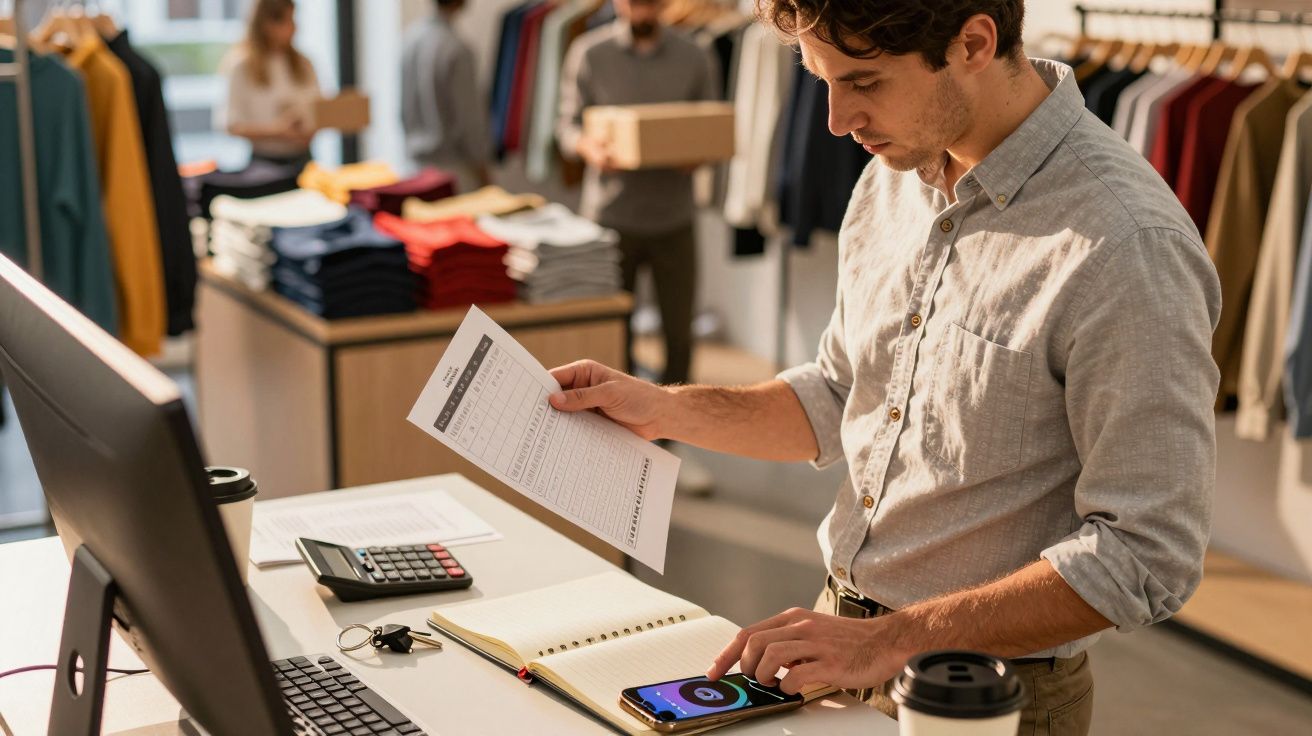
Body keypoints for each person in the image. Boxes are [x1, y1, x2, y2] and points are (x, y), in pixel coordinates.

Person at [546, 1, 1221, 733]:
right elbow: (841, 392)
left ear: (973, 42)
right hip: (833, 650)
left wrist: (887, 642)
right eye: (821, 81)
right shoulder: (891, 178)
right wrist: (667, 409)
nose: (837, 119)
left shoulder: (1127, 243)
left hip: (984, 697)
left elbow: (1146, 553)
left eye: (863, 82)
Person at [556, 0, 719, 387]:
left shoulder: (696, 55)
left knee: (679, 329)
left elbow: (714, 126)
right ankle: (616, 419)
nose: (642, 10)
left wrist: (699, 154)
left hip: (674, 216)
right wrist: (588, 147)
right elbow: (566, 126)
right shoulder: (589, 53)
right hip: (610, 218)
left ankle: (675, 421)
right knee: (613, 330)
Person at [217, 0, 320, 168]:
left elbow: (320, 109)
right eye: (286, 21)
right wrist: (278, 131)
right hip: (264, 164)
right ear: (266, 24)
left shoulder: (304, 63)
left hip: (303, 159)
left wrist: (308, 129)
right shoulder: (241, 66)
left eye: (293, 20)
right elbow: (231, 125)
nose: (294, 27)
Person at [401, 0, 491, 190]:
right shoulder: (457, 49)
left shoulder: (410, 40)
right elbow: (469, 120)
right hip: (453, 172)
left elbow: (402, 110)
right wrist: (484, 171)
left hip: (415, 168)